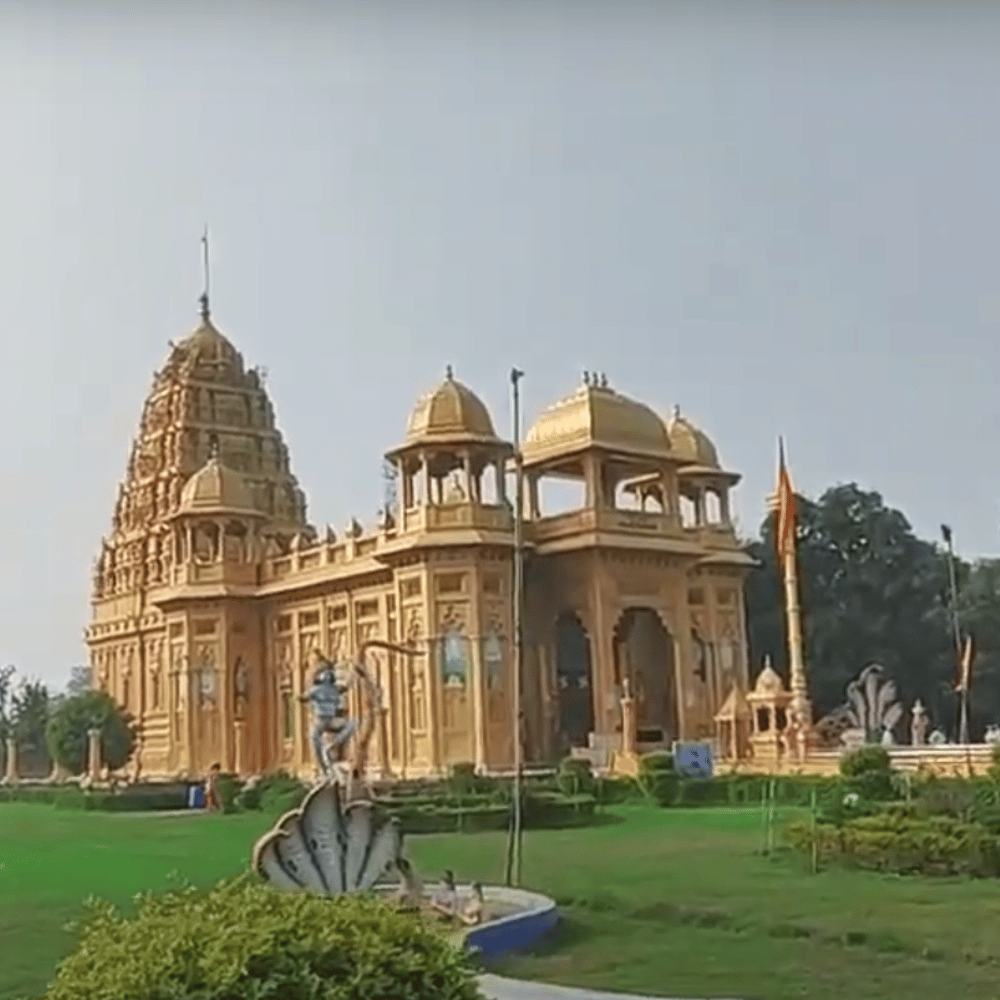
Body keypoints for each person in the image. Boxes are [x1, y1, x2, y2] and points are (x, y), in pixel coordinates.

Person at [300, 651, 357, 777]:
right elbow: (303, 697)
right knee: (314, 738)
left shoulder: (333, 688)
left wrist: (353, 675)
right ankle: (324, 769)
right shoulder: (316, 690)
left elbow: (345, 687)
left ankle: (334, 744)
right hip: (320, 721)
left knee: (353, 723)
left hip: (331, 720)